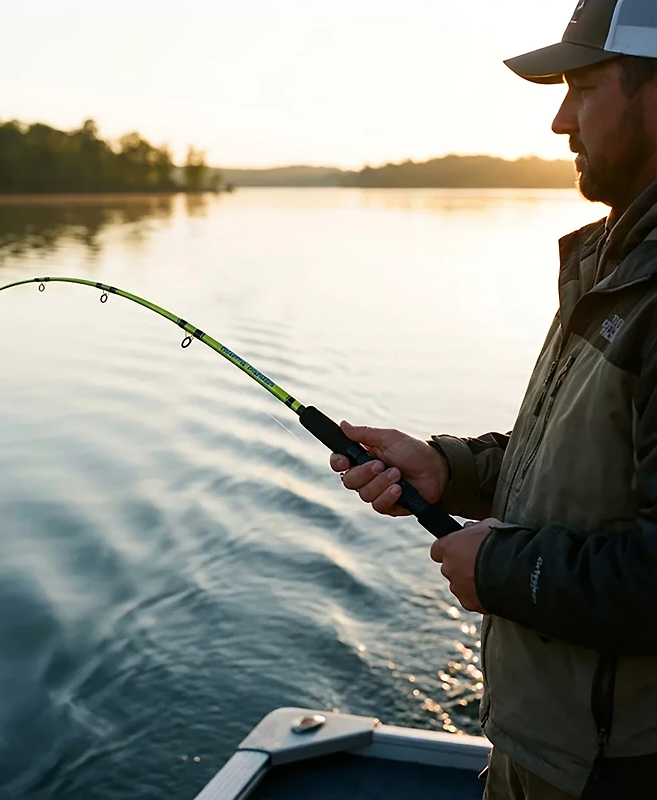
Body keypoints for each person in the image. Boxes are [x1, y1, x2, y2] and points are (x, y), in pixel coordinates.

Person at [330, 1, 657, 798]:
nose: (558, 120)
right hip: (550, 750)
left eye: (582, 86)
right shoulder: (616, 262)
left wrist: (507, 571)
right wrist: (448, 470)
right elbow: (582, 466)